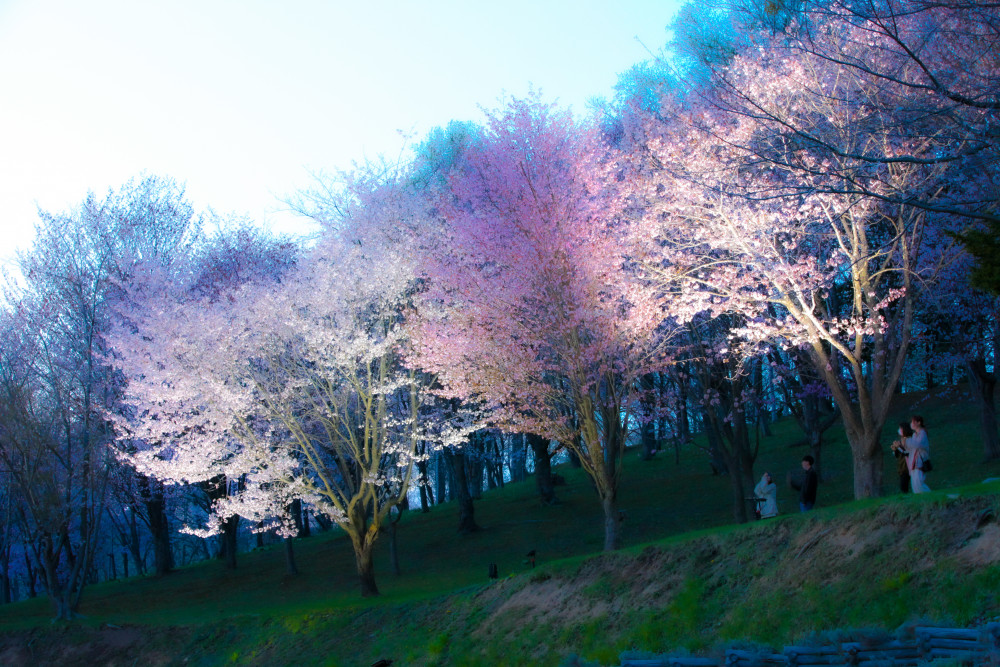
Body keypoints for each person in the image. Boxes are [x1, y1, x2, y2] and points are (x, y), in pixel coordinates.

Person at [907, 420, 931, 494]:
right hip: (914, 462)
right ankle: (919, 496)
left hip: (920, 461)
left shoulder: (923, 433)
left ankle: (928, 494)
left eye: (913, 422)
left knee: (919, 481)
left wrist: (909, 442)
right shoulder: (914, 435)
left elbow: (920, 445)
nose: (912, 424)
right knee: (914, 483)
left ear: (919, 422)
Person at [890, 422, 912, 494]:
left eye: (900, 428)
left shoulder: (909, 439)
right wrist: (895, 450)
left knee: (905, 485)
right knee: (903, 486)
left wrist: (899, 447)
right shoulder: (901, 440)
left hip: (908, 466)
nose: (899, 430)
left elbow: (907, 453)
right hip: (902, 467)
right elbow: (898, 455)